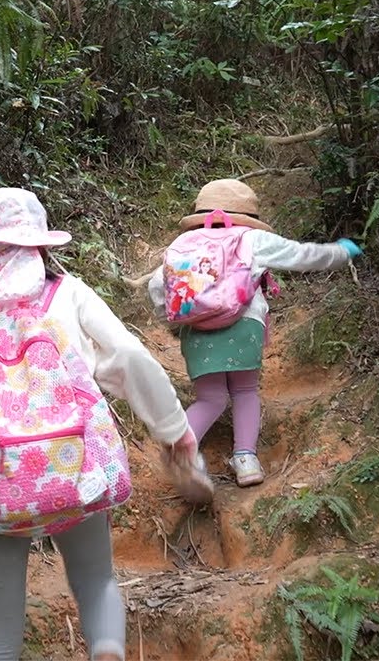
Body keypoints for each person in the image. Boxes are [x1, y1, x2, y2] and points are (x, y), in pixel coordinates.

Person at [0, 187, 202, 661]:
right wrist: (173, 429)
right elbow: (127, 357)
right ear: (39, 245)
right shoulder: (67, 293)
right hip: (76, 470)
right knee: (96, 581)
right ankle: (106, 650)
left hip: (0, 491)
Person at [145, 178, 362, 487]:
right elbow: (300, 255)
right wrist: (341, 252)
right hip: (245, 325)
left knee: (211, 399)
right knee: (245, 391)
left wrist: (172, 320)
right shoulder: (252, 239)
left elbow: (158, 286)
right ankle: (246, 460)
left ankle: (180, 448)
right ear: (246, 216)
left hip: (197, 332)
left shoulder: (183, 245)